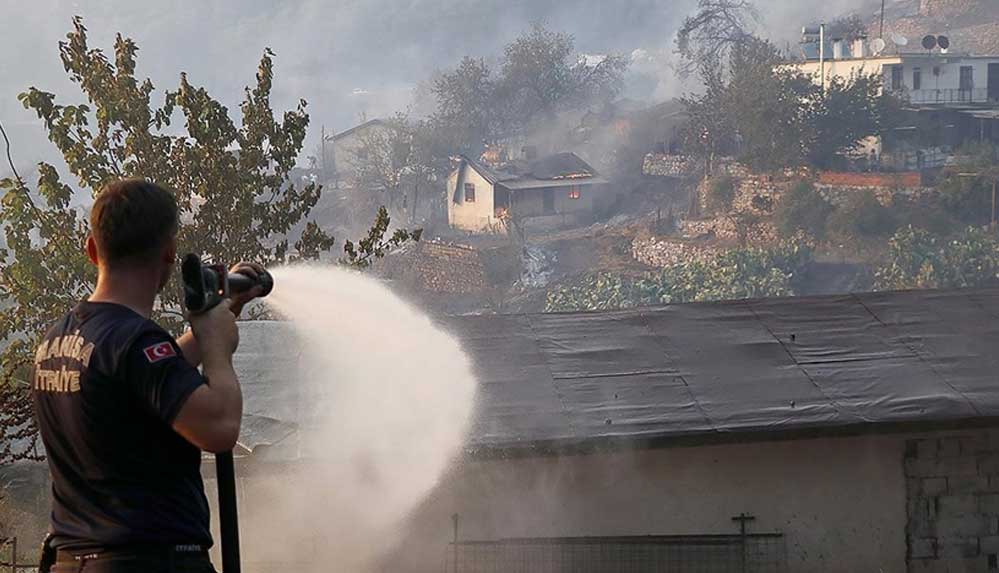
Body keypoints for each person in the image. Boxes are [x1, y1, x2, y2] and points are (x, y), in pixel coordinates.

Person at [31, 178, 266, 572]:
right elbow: (220, 428)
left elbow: (145, 377)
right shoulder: (137, 343)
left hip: (73, 561)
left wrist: (213, 323)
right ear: (170, 252)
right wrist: (217, 349)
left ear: (92, 250)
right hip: (147, 560)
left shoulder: (60, 339)